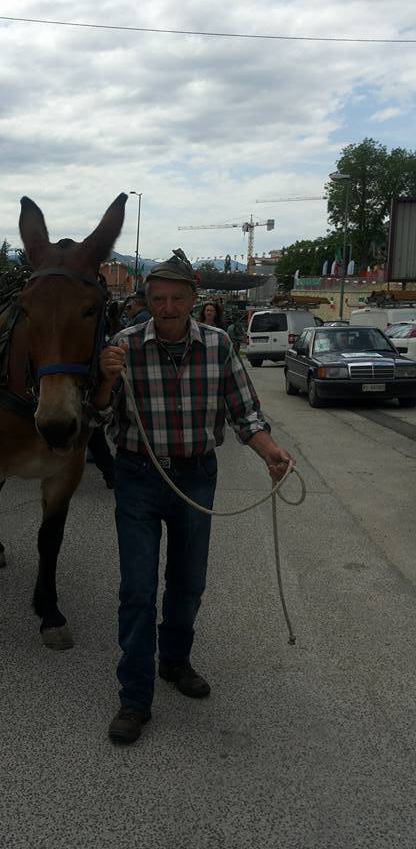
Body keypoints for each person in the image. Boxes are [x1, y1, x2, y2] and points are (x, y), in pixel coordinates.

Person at [95, 249, 293, 745]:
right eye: (157, 298)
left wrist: (269, 450)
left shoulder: (219, 345)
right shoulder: (122, 347)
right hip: (139, 475)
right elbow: (97, 418)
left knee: (188, 583)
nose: (166, 307)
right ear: (146, 299)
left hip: (196, 475)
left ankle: (175, 661)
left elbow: (243, 412)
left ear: (192, 299)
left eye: (176, 298)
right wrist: (103, 381)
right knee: (137, 590)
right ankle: (134, 698)